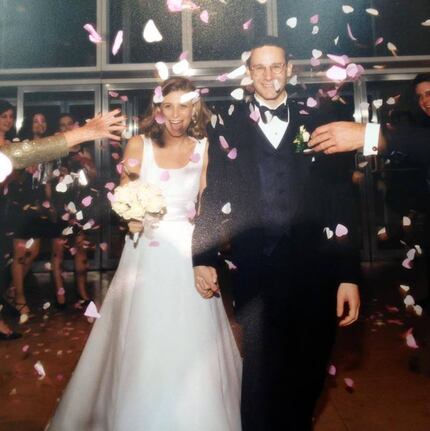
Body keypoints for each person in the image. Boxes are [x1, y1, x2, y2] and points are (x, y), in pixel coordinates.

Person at [47, 77, 242, 431]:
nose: (176, 114)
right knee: (143, 334)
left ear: (195, 107)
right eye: (168, 106)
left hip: (190, 251)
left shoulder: (204, 147)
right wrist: (131, 207)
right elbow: (127, 185)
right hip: (146, 253)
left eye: (184, 105)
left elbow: (206, 203)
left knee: (193, 334)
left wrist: (211, 251)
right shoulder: (138, 143)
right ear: (158, 109)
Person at [193, 37, 360, 430]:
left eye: (276, 66)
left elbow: (340, 200)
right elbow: (213, 194)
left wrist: (348, 274)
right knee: (261, 376)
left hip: (315, 269)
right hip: (256, 268)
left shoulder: (319, 119)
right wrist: (203, 257)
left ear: (289, 69)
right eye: (259, 68)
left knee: (310, 366)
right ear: (248, 74)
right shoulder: (228, 125)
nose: (269, 76)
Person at [48, 114, 96, 309]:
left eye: (70, 124)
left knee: (80, 251)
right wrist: (51, 204)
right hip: (60, 206)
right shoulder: (54, 150)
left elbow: (93, 177)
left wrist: (86, 163)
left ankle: (82, 293)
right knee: (57, 251)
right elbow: (47, 181)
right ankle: (60, 295)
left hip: (80, 206)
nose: (67, 127)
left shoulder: (84, 149)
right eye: (62, 125)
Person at [0, 109, 126, 172]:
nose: (8, 120)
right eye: (4, 116)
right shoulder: (16, 145)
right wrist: (84, 132)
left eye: (43, 121)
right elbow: (17, 155)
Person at [0, 100, 21, 339]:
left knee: (6, 259)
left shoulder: (13, 145)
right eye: (3, 116)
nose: (7, 120)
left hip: (9, 207)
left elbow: (15, 178)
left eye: (10, 116)